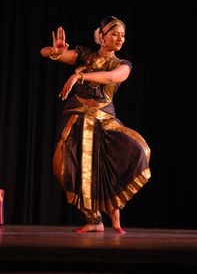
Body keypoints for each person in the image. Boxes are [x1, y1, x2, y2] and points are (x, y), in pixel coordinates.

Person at [40, 16, 151, 234]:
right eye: (114, 34)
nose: (120, 38)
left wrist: (79, 76)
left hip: (103, 120)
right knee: (65, 168)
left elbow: (111, 77)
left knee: (137, 151)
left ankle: (114, 208)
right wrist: (56, 52)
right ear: (101, 37)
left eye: (123, 35)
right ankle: (94, 219)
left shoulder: (122, 65)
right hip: (76, 118)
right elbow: (44, 52)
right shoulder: (86, 56)